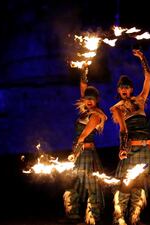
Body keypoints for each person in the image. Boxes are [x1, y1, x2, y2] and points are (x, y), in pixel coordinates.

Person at [110, 49, 150, 225]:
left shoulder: (140, 100)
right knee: (125, 184)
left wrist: (142, 58)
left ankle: (135, 218)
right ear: (118, 90)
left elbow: (149, 77)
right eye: (122, 87)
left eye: (127, 86)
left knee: (139, 184)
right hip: (130, 148)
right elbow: (123, 130)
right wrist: (122, 148)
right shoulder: (118, 108)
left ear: (131, 89)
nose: (124, 89)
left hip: (146, 148)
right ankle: (119, 218)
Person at [61, 64, 107, 225]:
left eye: (91, 99)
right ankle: (72, 215)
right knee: (73, 183)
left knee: (90, 184)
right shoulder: (85, 111)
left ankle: (93, 216)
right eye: (86, 98)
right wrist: (84, 68)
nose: (88, 101)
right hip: (79, 152)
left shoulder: (94, 116)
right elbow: (83, 87)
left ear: (96, 101)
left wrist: (75, 153)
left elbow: (82, 137)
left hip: (85, 153)